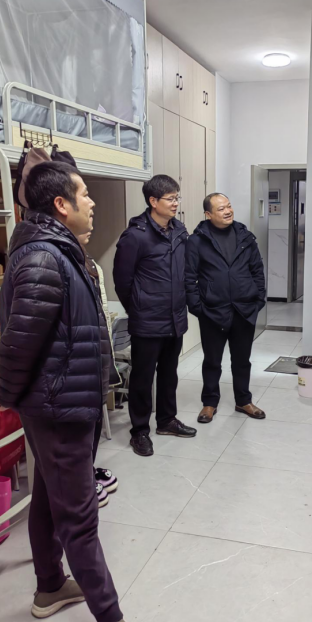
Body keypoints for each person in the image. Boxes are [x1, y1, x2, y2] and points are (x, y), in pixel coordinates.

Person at [0, 161, 152, 622]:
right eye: (84, 193)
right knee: (80, 517)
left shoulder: (58, 251)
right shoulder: (45, 257)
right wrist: (7, 398)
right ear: (60, 205)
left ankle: (49, 587)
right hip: (58, 407)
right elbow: (18, 344)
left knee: (47, 495)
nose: (92, 201)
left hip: (64, 401)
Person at [113, 174, 196, 458]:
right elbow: (122, 281)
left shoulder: (179, 231)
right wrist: (138, 307)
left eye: (177, 198)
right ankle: (139, 431)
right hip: (147, 320)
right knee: (142, 377)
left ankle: (166, 421)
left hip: (175, 317)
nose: (175, 203)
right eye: (170, 199)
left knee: (169, 374)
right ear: (153, 201)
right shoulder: (135, 236)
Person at [185, 193, 266, 423]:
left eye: (229, 206)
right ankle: (209, 403)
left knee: (242, 360)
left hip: (244, 310)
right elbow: (189, 277)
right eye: (221, 209)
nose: (228, 211)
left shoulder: (245, 237)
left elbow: (257, 271)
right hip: (212, 312)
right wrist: (198, 308)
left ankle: (243, 401)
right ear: (208, 214)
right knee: (212, 361)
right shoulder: (197, 241)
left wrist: (258, 299)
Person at [78, 231, 119, 509]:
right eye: (86, 211)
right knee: (76, 430)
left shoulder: (89, 261)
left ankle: (87, 470)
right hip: (76, 365)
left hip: (95, 358)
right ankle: (80, 482)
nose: (91, 217)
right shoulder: (52, 259)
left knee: (92, 423)